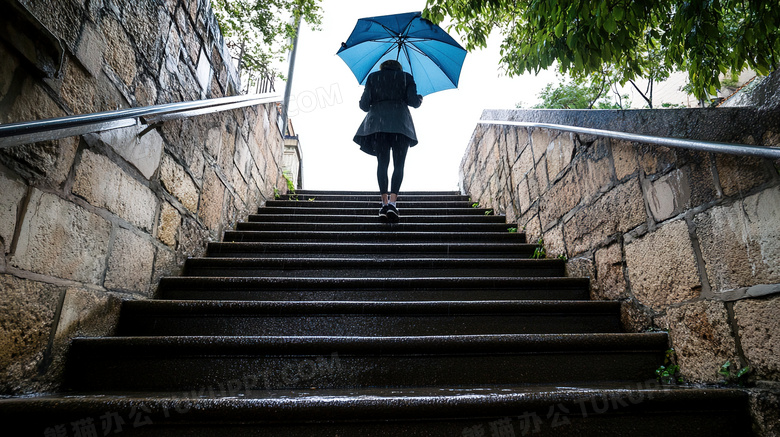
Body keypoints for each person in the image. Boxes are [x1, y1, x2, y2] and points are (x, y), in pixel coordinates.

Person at [353, 59, 423, 222]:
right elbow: (413, 102)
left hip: (378, 124)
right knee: (399, 165)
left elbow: (364, 105)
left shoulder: (373, 77)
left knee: (382, 163)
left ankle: (384, 203)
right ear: (398, 67)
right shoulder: (406, 77)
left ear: (382, 67)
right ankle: (393, 203)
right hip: (400, 124)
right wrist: (419, 99)